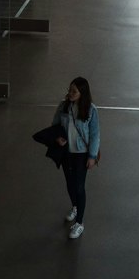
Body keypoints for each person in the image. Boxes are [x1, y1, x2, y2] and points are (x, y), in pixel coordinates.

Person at [53, 76, 101, 239]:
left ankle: (79, 222)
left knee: (79, 187)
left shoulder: (90, 110)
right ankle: (75, 206)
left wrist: (92, 156)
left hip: (81, 154)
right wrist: (58, 138)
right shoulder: (63, 106)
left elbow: (95, 135)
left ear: (82, 93)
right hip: (66, 152)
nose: (70, 93)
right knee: (70, 183)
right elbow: (55, 126)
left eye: (74, 91)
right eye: (70, 90)